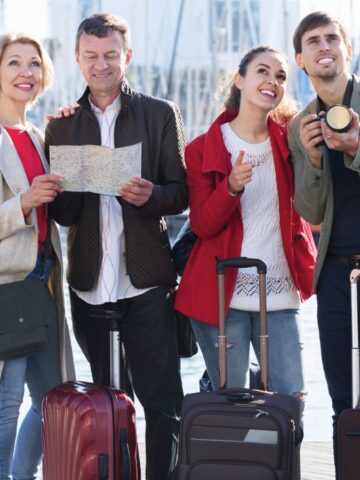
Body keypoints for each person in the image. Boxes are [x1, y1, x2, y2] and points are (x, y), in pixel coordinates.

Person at [46, 13, 187, 480]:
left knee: (163, 404)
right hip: (88, 285)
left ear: (127, 56)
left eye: (110, 55)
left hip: (146, 284)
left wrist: (152, 196)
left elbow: (180, 192)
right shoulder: (62, 125)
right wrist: (70, 188)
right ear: (77, 59)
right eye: (91, 56)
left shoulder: (159, 112)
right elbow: (63, 217)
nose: (100, 65)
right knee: (107, 405)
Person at [175, 46, 317, 398]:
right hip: (221, 294)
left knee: (290, 401)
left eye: (281, 76)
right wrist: (231, 187)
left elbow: (312, 204)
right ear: (240, 80)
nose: (272, 80)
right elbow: (204, 226)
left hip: (280, 293)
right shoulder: (201, 148)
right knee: (231, 404)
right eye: (263, 71)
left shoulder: (290, 141)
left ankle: (278, 455)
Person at [288, 11, 360, 477]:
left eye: (331, 37)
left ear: (347, 49)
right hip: (335, 271)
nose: (323, 46)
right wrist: (314, 159)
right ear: (301, 59)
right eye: (312, 41)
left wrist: (355, 147)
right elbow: (310, 213)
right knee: (342, 397)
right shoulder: (302, 125)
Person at [0, 33, 75, 480]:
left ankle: (23, 474)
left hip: (45, 281)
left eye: (33, 63)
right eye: (13, 63)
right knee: (7, 402)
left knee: (54, 397)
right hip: (7, 285)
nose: (25, 72)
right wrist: (23, 202)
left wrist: (67, 126)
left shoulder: (38, 135)